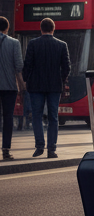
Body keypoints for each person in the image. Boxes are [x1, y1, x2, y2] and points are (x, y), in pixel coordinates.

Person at [23, 17, 71, 158]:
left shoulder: (33, 44)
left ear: (41, 29)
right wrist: (61, 79)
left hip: (36, 86)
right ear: (53, 29)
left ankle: (39, 146)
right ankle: (51, 149)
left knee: (36, 116)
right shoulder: (62, 45)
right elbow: (67, 67)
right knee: (53, 117)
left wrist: (26, 79)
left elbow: (27, 64)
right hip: (54, 86)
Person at [0, 16, 26, 159]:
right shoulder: (14, 43)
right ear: (7, 28)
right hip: (9, 87)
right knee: (8, 117)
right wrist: (22, 85)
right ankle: (6, 150)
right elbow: (19, 66)